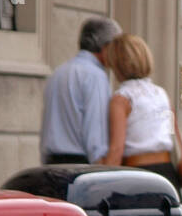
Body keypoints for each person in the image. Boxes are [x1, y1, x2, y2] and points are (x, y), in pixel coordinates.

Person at [102, 33, 182, 196]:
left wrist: (101, 182)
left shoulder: (122, 99)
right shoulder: (161, 94)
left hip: (137, 177)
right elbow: (173, 135)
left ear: (116, 64)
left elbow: (117, 150)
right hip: (167, 176)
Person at [39, 17, 121, 164]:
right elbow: (96, 135)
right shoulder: (96, 76)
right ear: (106, 47)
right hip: (79, 165)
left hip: (50, 164)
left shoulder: (58, 72)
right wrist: (102, 168)